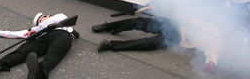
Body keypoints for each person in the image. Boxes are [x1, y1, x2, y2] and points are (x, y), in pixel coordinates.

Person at [92, 17, 228, 74]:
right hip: (175, 25)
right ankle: (108, 26)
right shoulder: (215, 19)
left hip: (176, 39)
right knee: (141, 22)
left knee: (146, 43)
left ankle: (109, 45)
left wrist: (211, 64)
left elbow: (213, 55)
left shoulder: (218, 43)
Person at [0, 13, 77, 78]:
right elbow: (19, 33)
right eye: (38, 23)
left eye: (41, 20)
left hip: (61, 35)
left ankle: (39, 73)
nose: (40, 23)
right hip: (41, 38)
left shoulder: (59, 17)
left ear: (47, 16)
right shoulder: (36, 29)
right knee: (24, 49)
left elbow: (50, 23)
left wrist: (37, 29)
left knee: (54, 53)